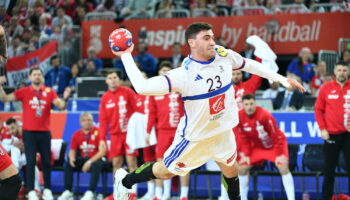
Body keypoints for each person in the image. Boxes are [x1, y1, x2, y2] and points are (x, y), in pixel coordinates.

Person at [111, 22, 305, 200]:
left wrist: (281, 79)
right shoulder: (183, 74)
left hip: (223, 131)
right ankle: (125, 181)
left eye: (212, 37)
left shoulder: (222, 55)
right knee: (166, 171)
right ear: (192, 43)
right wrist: (126, 55)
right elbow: (142, 88)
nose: (212, 42)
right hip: (195, 138)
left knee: (231, 169)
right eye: (206, 38)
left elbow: (249, 64)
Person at [0, 67, 70, 200]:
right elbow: (5, 98)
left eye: (39, 74)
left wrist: (65, 98)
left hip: (44, 132)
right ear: (30, 77)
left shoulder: (49, 92)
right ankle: (31, 191)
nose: (37, 76)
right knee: (30, 161)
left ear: (42, 77)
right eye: (34, 74)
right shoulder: (25, 91)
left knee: (46, 161)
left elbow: (60, 105)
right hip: (29, 133)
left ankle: (47, 190)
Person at [235, 94, 295, 200]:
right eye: (246, 104)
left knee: (282, 166)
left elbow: (276, 135)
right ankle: (242, 198)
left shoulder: (265, 115)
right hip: (257, 147)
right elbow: (243, 138)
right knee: (242, 167)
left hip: (275, 145)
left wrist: (278, 154)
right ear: (242, 105)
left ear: (255, 103)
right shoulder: (239, 116)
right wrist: (246, 154)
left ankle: (291, 198)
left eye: (251, 104)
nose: (249, 107)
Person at [146, 61, 189, 200]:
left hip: (180, 131)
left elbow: (189, 108)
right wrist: (148, 131)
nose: (165, 73)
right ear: (158, 73)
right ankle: (161, 194)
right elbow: (151, 114)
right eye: (162, 70)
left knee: (183, 161)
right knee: (161, 162)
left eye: (167, 70)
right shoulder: (155, 92)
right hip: (162, 132)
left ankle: (183, 195)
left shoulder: (179, 89)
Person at [98, 70, 138, 199]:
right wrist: (102, 138)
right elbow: (103, 120)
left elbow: (138, 110)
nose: (113, 80)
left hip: (129, 134)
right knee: (116, 163)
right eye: (110, 78)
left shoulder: (128, 92)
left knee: (131, 162)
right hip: (115, 135)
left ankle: (133, 193)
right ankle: (117, 193)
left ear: (119, 79)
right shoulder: (105, 97)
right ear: (106, 81)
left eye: (115, 77)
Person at [314, 62, 350, 200]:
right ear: (334, 72)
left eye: (344, 70)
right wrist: (322, 129)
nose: (341, 72)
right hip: (331, 134)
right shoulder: (326, 88)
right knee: (329, 171)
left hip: (348, 135)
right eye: (339, 70)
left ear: (348, 72)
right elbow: (318, 110)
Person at [58, 112, 106, 200]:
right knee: (69, 163)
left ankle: (91, 192)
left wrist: (89, 162)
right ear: (80, 123)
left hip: (97, 160)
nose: (87, 122)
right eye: (84, 120)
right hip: (84, 159)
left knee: (96, 164)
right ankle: (68, 191)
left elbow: (102, 152)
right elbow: (72, 150)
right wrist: (72, 158)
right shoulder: (76, 134)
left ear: (92, 121)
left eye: (89, 120)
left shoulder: (99, 132)